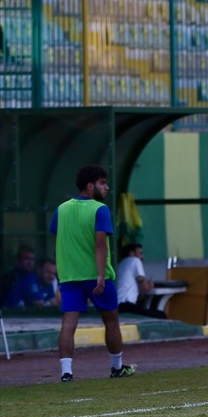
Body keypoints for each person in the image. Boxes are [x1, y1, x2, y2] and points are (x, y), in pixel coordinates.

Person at [52, 164, 135, 382]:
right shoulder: (100, 209)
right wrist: (100, 274)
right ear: (90, 186)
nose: (106, 187)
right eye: (102, 183)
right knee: (111, 320)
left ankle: (66, 373)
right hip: (97, 276)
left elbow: (57, 238)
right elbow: (101, 245)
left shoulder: (61, 209)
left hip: (70, 276)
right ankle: (117, 368)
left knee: (69, 323)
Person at [116, 243, 166, 319]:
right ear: (131, 253)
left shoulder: (120, 264)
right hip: (125, 306)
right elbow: (144, 288)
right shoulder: (135, 260)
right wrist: (150, 284)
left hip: (116, 306)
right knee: (161, 315)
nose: (142, 257)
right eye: (140, 253)